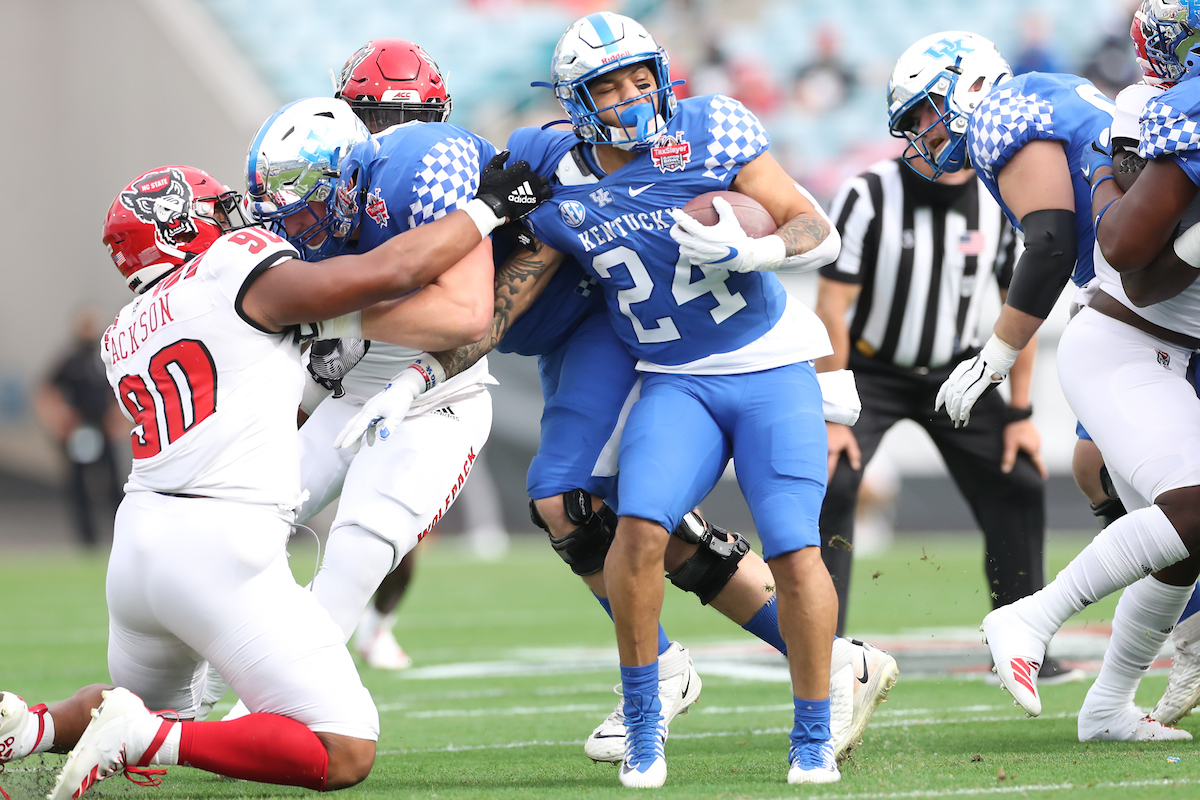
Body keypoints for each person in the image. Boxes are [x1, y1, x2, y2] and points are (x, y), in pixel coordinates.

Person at [0, 159, 549, 799]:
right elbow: (392, 272)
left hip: (138, 547)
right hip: (218, 547)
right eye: (212, 213)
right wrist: (486, 207)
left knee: (141, 704)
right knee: (343, 748)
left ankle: (26, 728)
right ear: (177, 228)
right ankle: (139, 739)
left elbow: (293, 337)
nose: (231, 221)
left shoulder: (122, 332)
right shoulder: (232, 267)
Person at [479, 11, 843, 787]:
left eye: (643, 78)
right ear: (574, 101)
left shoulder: (710, 127)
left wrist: (760, 248)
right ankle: (646, 726)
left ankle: (813, 734)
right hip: (675, 377)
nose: (634, 95)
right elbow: (512, 283)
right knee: (636, 530)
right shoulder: (552, 173)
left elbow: (817, 224)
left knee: (792, 544)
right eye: (610, 86)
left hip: (766, 362)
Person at [979, 0, 1200, 741]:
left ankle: (1106, 708)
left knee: (1184, 539)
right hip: (1125, 340)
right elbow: (1137, 270)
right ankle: (1027, 617)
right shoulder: (1167, 111)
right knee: (1193, 511)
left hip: (1166, 353)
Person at [815, 154, 1082, 693]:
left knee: (1019, 479)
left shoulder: (997, 198)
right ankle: (824, 651)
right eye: (923, 118)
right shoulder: (868, 193)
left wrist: (1020, 415)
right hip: (870, 368)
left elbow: (1021, 305)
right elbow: (832, 305)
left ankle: (1025, 647)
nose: (939, 137)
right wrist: (832, 414)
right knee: (834, 479)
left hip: (955, 370)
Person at [327, 37, 466, 671]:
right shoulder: (324, 174)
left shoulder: (451, 182)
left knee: (384, 537)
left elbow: (473, 317)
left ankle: (377, 625)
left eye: (408, 122)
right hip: (326, 371)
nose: (394, 138)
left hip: (425, 381)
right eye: (378, 119)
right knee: (250, 517)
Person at [35, 306, 125, 547]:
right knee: (78, 486)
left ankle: (123, 536)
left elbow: (120, 390)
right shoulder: (69, 360)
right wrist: (58, 419)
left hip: (103, 430)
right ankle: (88, 541)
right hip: (79, 432)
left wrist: (118, 418)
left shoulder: (104, 357)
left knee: (114, 484)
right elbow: (47, 391)